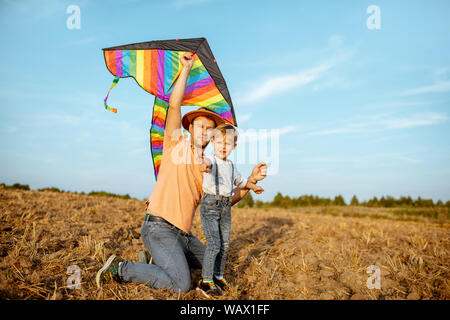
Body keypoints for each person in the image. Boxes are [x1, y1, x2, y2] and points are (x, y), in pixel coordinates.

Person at [96, 52, 267, 294]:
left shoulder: (212, 166)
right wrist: (185, 69)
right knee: (181, 284)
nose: (205, 132)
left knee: (214, 263)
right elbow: (174, 105)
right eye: (200, 126)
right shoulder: (176, 144)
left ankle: (158, 259)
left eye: (210, 130)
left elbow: (225, 201)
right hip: (159, 227)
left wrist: (248, 184)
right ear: (191, 128)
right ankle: (122, 268)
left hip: (184, 236)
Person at [197, 123, 264, 296]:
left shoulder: (231, 166)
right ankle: (205, 281)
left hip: (225, 207)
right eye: (219, 142)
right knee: (214, 244)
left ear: (234, 146)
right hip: (211, 206)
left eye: (227, 144)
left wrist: (253, 186)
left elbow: (241, 182)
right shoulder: (211, 160)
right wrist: (202, 164)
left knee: (225, 245)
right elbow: (205, 164)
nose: (223, 147)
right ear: (212, 142)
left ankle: (218, 276)